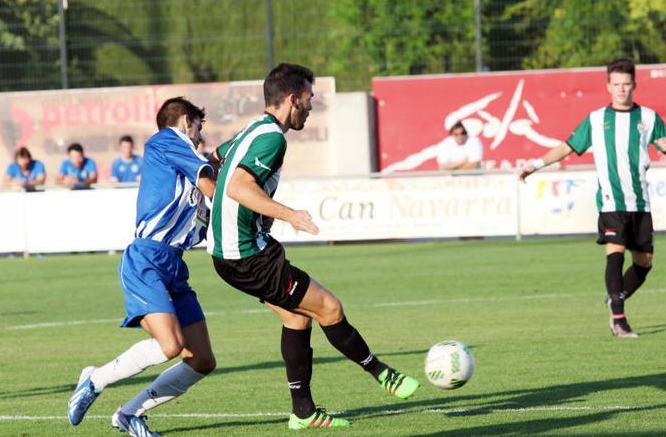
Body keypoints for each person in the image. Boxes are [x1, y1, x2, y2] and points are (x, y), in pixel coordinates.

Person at [207, 63, 419, 430]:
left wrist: (250, 214)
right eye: (309, 98)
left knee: (296, 317)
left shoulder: (253, 130)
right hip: (249, 256)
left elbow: (217, 159)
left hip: (230, 253)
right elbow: (239, 186)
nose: (311, 105)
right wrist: (287, 214)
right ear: (292, 99)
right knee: (329, 308)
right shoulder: (272, 138)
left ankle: (302, 412)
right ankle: (382, 373)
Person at [67, 97, 217, 437]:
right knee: (170, 346)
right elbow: (209, 178)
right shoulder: (166, 139)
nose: (198, 136)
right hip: (146, 259)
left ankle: (130, 414)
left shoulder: (182, 173)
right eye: (197, 127)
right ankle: (95, 378)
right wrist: (228, 199)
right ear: (183, 122)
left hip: (174, 265)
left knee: (203, 360)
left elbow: (197, 228)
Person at [519, 58, 666, 338]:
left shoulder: (648, 118)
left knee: (644, 263)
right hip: (611, 202)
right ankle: (619, 318)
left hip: (640, 202)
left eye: (626, 84)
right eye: (616, 84)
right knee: (615, 254)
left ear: (634, 85)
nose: (621, 90)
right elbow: (566, 147)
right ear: (608, 86)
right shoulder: (597, 119)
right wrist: (535, 164)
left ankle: (614, 297)